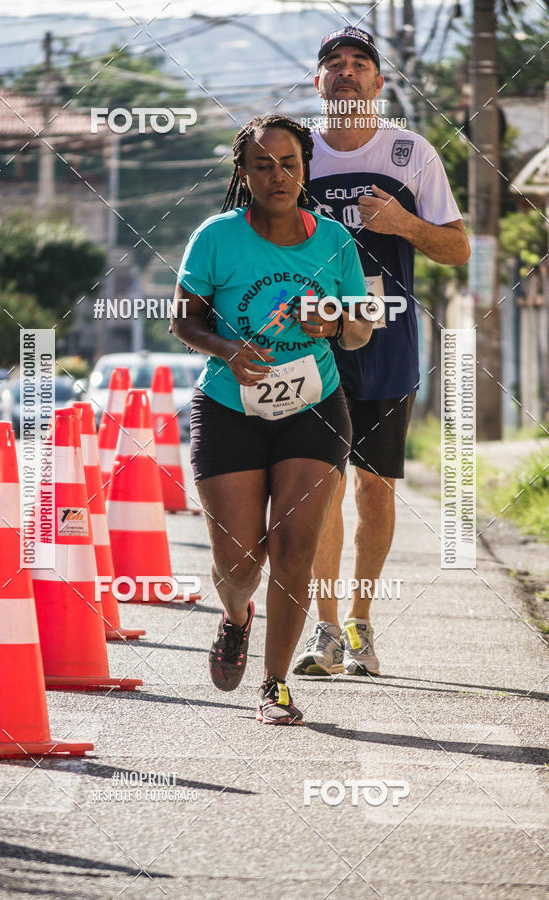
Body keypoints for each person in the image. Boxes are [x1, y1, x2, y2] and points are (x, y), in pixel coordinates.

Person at [171, 113, 372, 724]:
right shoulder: (216, 237)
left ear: (305, 169)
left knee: (292, 548)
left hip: (314, 408)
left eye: (289, 164)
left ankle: (275, 684)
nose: (278, 175)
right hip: (229, 408)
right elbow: (183, 321)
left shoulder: (334, 241)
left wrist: (333, 323)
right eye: (263, 165)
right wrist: (228, 349)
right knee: (238, 563)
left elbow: (360, 331)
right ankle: (236, 616)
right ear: (244, 173)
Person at [293, 27, 471, 677]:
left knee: (375, 488)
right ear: (318, 81)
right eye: (333, 63)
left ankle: (361, 625)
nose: (346, 71)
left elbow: (457, 248)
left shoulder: (409, 152)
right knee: (321, 486)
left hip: (389, 343)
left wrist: (402, 224)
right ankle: (326, 630)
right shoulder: (297, 152)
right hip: (312, 345)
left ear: (378, 82)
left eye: (359, 63)